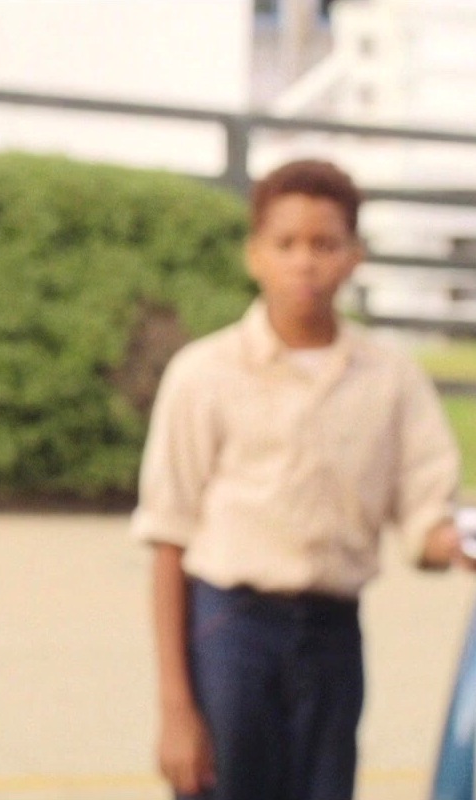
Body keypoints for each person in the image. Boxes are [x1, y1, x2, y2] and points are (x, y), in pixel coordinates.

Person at [133, 158, 471, 800]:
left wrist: (454, 543)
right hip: (232, 632)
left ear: (354, 257)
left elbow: (425, 509)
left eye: (325, 244)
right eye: (286, 244)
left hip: (332, 637)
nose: (305, 263)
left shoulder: (390, 380)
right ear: (255, 254)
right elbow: (168, 538)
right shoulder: (205, 374)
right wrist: (176, 710)